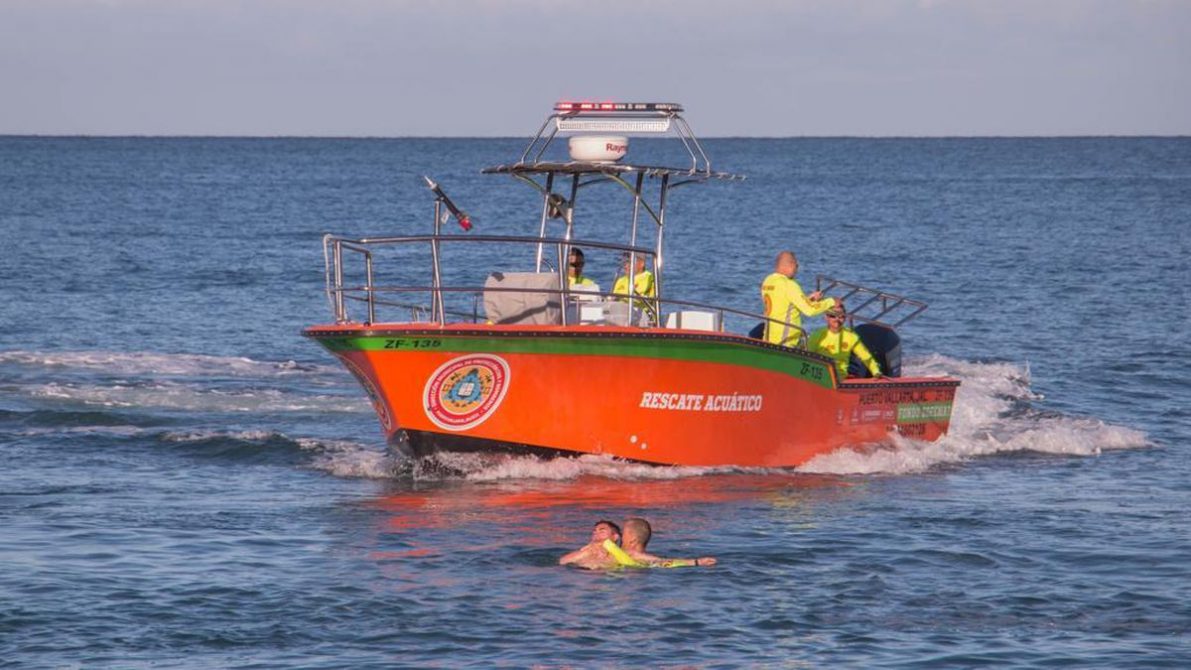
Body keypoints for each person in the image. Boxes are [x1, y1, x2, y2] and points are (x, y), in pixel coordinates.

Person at [760, 250, 838, 347]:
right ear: (791, 265)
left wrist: (809, 299)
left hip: (768, 339)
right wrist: (832, 301)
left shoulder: (768, 281)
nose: (797, 269)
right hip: (785, 342)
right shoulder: (789, 284)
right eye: (797, 266)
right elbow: (810, 310)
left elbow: (785, 304)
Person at [608, 517, 717, 569]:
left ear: (632, 539)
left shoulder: (633, 555)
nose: (620, 536)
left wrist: (696, 562)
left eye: (623, 533)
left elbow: (662, 562)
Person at [808, 304, 882, 380]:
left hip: (841, 378)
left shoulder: (851, 336)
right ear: (826, 317)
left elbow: (866, 356)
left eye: (841, 316)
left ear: (845, 318)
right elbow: (807, 358)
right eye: (833, 316)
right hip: (819, 376)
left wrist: (876, 372)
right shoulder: (816, 335)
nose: (837, 319)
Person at [612, 254, 656, 324]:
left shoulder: (649, 278)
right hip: (620, 315)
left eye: (629, 262)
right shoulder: (620, 281)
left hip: (642, 317)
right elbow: (612, 299)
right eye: (624, 262)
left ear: (642, 264)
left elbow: (639, 298)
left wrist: (619, 296)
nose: (625, 266)